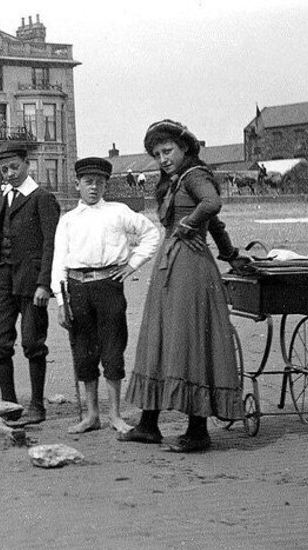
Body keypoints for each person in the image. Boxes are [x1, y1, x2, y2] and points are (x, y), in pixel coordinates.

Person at [121, 120, 248, 453]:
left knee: (188, 340)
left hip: (191, 268)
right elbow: (215, 223)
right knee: (159, 338)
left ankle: (198, 431)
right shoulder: (176, 181)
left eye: (168, 151)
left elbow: (212, 206)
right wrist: (230, 253)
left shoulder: (195, 176)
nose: (163, 159)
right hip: (170, 267)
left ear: (185, 148)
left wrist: (188, 227)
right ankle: (149, 425)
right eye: (157, 154)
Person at [52, 157, 161, 434]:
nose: (94, 188)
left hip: (109, 286)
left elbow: (151, 234)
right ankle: (91, 416)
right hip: (76, 288)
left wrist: (132, 265)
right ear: (77, 184)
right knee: (84, 353)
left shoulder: (118, 212)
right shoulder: (67, 221)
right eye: (88, 182)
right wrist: (62, 301)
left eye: (100, 183)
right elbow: (58, 263)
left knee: (113, 350)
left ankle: (115, 415)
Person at [0, 142, 60, 424]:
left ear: (27, 165)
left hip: (31, 282)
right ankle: (10, 404)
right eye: (4, 169)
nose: (9, 173)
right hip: (2, 283)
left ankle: (37, 406)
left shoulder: (42, 198)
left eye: (14, 167)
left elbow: (51, 244)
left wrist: (44, 284)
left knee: (33, 342)